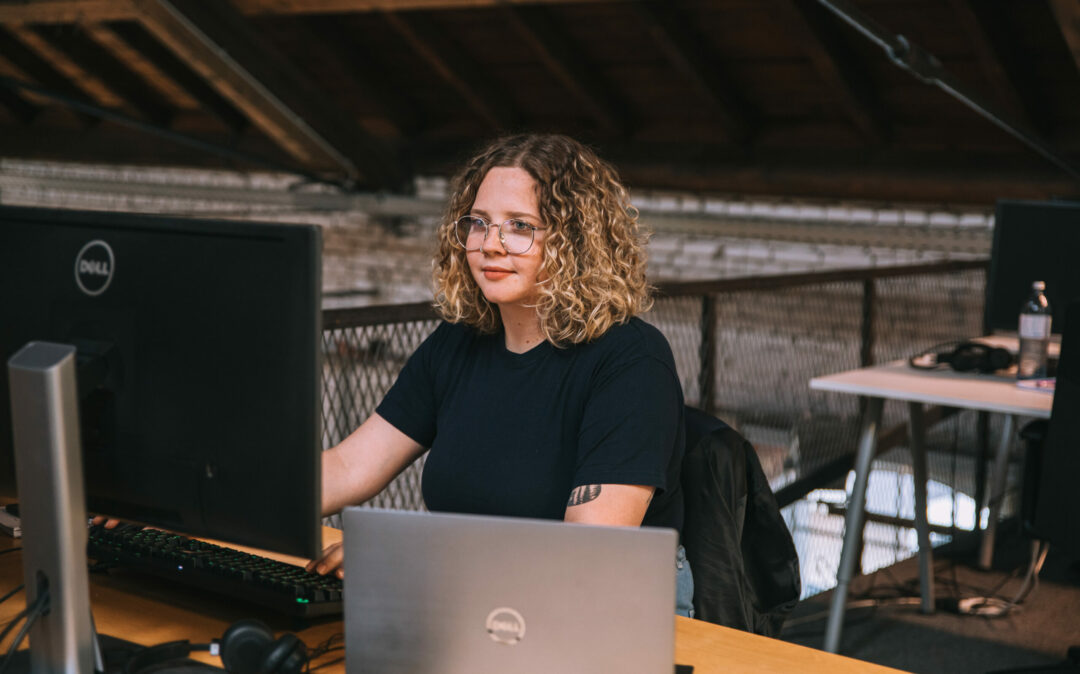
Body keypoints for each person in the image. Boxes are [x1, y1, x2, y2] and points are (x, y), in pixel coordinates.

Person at [311, 133, 693, 616]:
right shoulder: (459, 342)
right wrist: (243, 495)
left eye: (520, 226)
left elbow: (588, 551)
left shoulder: (631, 362)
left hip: (606, 610)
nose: (490, 244)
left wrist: (408, 554)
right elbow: (350, 467)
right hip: (475, 595)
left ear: (574, 242)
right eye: (479, 223)